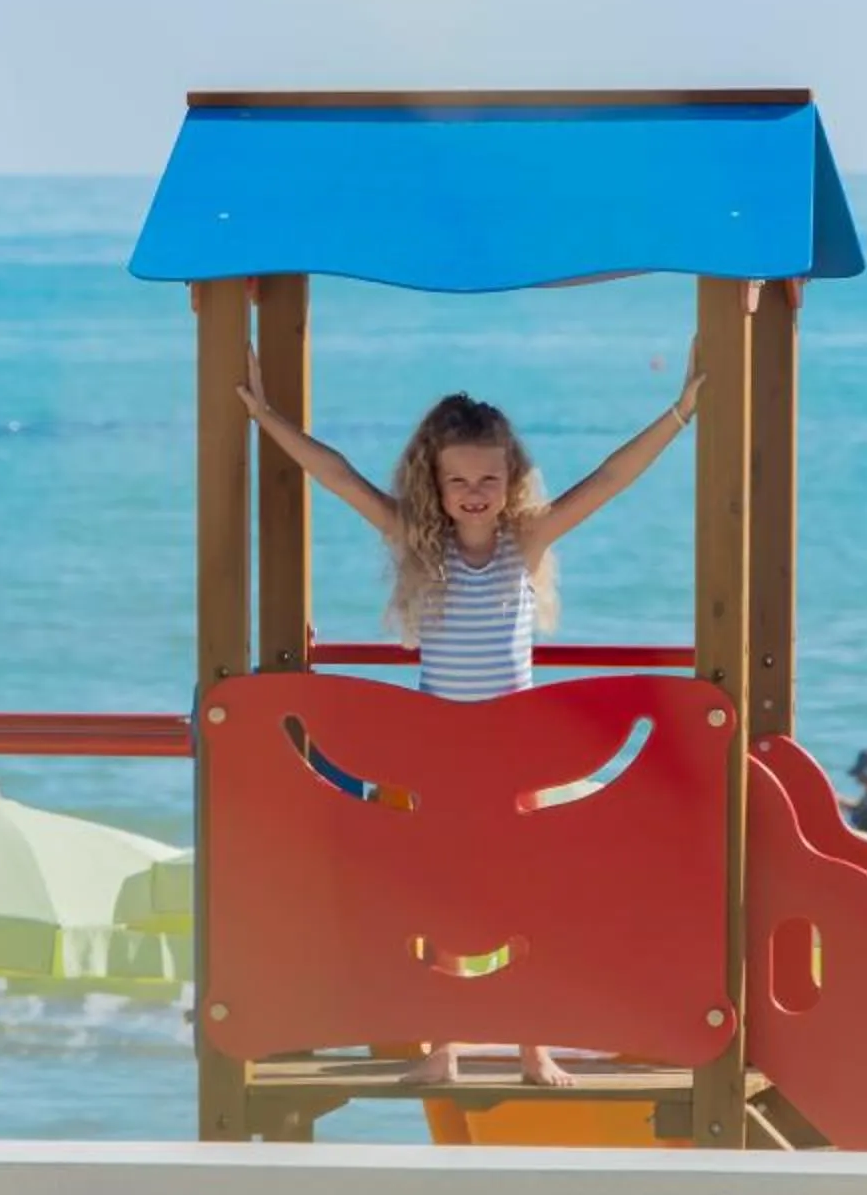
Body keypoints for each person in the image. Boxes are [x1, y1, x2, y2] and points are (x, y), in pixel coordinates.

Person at [241, 351, 704, 1089]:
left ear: (512, 479)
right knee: (440, 898)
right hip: (436, 755)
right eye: (458, 480)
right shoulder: (419, 545)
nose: (475, 493)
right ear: (435, 483)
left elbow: (612, 478)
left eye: (489, 478)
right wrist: (266, 420)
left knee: (527, 902)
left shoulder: (528, 544)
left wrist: (682, 412)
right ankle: (444, 1047)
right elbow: (336, 477)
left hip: (520, 755)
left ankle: (533, 1046)